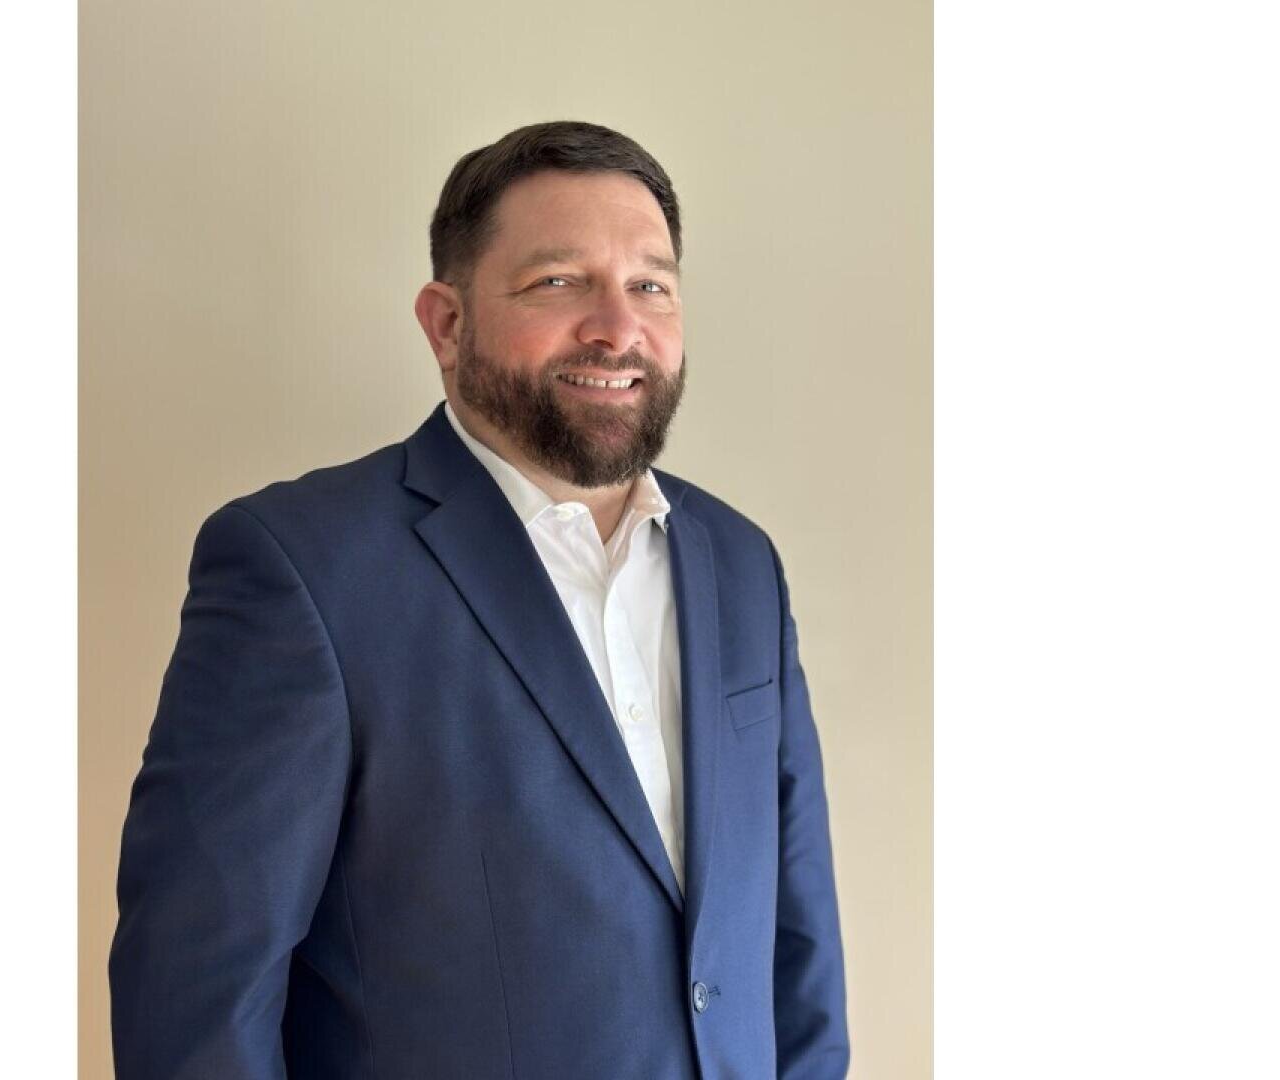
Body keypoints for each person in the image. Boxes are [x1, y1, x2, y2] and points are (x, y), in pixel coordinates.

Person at [109, 120, 850, 1079]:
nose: (617, 327)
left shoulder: (743, 564)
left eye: (650, 285)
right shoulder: (301, 568)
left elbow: (799, 945)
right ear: (447, 323)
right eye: (559, 282)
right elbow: (196, 997)